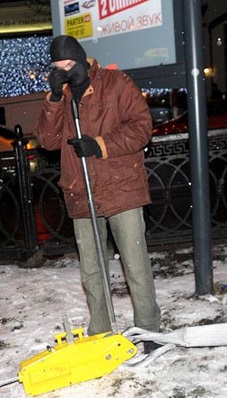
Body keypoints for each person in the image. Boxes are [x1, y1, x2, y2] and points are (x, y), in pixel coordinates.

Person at [35, 35, 161, 353]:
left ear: (81, 59)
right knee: (92, 268)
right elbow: (47, 141)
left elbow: (142, 126)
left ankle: (149, 330)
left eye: (67, 65)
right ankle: (102, 330)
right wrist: (52, 98)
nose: (62, 72)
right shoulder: (60, 96)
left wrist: (100, 144)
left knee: (134, 262)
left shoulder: (116, 83)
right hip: (81, 191)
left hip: (120, 186)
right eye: (56, 67)